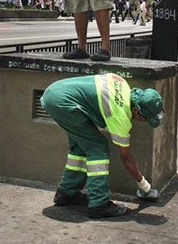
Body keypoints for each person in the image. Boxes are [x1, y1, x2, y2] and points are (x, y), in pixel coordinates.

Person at [40, 73, 164, 218]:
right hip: (63, 103)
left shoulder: (122, 83)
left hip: (55, 92)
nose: (143, 122)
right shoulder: (120, 116)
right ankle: (99, 204)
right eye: (144, 119)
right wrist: (144, 186)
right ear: (136, 110)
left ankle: (67, 193)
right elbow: (126, 158)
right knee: (98, 148)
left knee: (80, 147)